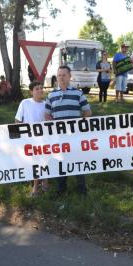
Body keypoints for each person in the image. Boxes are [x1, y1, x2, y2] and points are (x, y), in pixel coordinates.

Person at [45, 66, 92, 195]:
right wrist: (53, 125)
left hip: (75, 137)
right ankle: (61, 190)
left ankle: (82, 190)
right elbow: (47, 114)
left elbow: (87, 112)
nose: (61, 77)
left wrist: (78, 125)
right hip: (59, 137)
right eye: (59, 75)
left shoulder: (78, 93)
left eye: (64, 75)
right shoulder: (51, 95)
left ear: (70, 76)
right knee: (61, 162)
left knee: (77, 161)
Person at [15, 81, 48, 197]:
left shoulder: (46, 104)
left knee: (43, 160)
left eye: (41, 88)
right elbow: (18, 120)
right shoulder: (25, 103)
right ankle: (38, 184)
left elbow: (49, 121)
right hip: (29, 139)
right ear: (31, 91)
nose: (39, 90)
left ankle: (41, 184)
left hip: (43, 139)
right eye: (36, 89)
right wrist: (19, 136)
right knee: (34, 162)